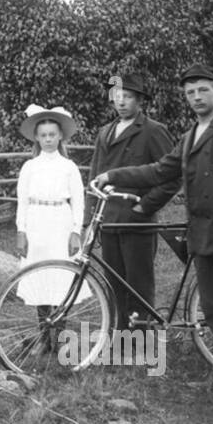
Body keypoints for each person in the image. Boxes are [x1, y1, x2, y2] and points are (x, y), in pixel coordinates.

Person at [92, 65, 213, 409]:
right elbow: (159, 170)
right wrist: (113, 174)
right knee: (211, 310)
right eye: (190, 93)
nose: (196, 98)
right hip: (202, 237)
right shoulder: (190, 136)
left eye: (202, 90)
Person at [85, 74, 178, 326]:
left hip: (138, 221)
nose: (121, 102)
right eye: (117, 97)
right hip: (109, 221)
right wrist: (89, 220)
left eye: (127, 97)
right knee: (114, 283)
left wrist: (145, 206)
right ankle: (120, 335)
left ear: (140, 101)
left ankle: (142, 339)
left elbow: (172, 177)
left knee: (138, 284)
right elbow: (94, 179)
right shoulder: (105, 132)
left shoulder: (153, 131)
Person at [14, 105, 86, 305]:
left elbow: (79, 201)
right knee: (40, 274)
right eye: (43, 135)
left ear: (60, 136)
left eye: (52, 135)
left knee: (60, 275)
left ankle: (60, 328)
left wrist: (75, 232)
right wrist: (22, 231)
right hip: (37, 222)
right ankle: (44, 330)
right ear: (36, 137)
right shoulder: (30, 167)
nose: (48, 139)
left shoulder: (68, 167)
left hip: (60, 222)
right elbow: (23, 202)